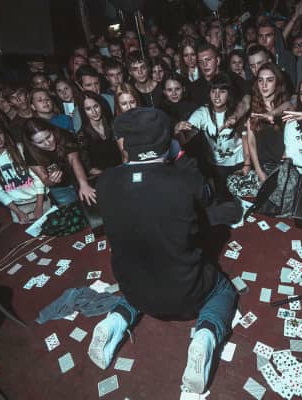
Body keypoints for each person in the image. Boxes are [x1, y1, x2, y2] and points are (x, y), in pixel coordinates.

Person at [90, 107, 241, 395]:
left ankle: (115, 319)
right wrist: (180, 155)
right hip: (185, 294)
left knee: (142, 275)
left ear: (127, 144)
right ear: (167, 141)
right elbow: (207, 201)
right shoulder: (182, 182)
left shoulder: (106, 181)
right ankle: (206, 334)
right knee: (224, 291)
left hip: (134, 288)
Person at [176, 73, 249, 201]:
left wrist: (247, 164)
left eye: (222, 91)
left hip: (239, 162)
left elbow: (246, 137)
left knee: (244, 200)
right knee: (222, 201)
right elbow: (185, 138)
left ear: (229, 93)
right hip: (217, 166)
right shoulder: (203, 113)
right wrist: (178, 130)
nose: (216, 95)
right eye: (213, 91)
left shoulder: (237, 110)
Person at [0, 119, 48, 223]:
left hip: (40, 198)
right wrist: (17, 211)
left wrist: (39, 205)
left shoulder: (20, 148)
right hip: (18, 206)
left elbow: (38, 176)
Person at [22, 118, 96, 206]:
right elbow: (45, 180)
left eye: (48, 137)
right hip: (59, 189)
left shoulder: (64, 135)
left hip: (78, 176)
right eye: (40, 142)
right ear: (33, 143)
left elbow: (74, 160)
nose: (47, 143)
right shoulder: (29, 153)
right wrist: (52, 181)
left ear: (52, 130)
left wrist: (84, 185)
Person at [247, 64, 291, 183]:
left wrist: (272, 113)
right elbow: (251, 142)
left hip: (283, 165)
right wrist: (259, 171)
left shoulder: (285, 106)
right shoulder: (253, 106)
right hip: (262, 166)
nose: (264, 85)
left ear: (277, 82)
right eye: (260, 80)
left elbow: (290, 104)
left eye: (270, 80)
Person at [76, 91, 121, 177]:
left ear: (101, 105)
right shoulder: (82, 135)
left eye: (96, 106)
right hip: (101, 176)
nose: (94, 112)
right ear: (83, 111)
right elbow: (89, 168)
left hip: (122, 169)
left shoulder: (114, 124)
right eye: (88, 109)